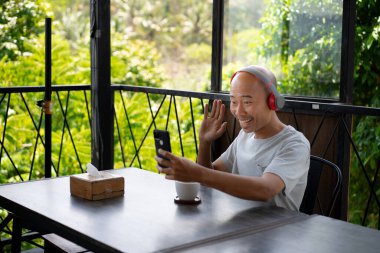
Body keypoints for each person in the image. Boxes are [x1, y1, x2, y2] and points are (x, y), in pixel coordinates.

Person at [155, 65, 310, 211]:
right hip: (239, 223)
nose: (239, 111)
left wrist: (195, 173)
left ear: (272, 102)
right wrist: (205, 143)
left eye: (247, 102)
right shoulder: (245, 136)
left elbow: (266, 189)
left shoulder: (294, 144)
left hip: (278, 232)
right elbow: (211, 174)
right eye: (234, 102)